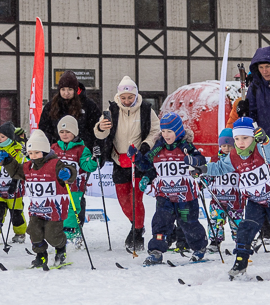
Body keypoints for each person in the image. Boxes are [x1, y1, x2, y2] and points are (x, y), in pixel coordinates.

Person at [207, 118, 270, 280]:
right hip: (254, 200)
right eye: (237, 139)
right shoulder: (233, 156)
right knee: (246, 228)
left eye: (245, 138)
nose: (241, 143)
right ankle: (241, 261)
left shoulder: (260, 149)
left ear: (253, 137)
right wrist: (203, 168)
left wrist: (264, 139)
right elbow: (220, 167)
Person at [94, 76, 160, 252]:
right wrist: (101, 128)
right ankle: (135, 223)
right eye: (123, 97)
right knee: (124, 200)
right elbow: (100, 134)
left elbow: (155, 130)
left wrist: (146, 145)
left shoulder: (146, 109)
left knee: (136, 199)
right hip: (118, 159)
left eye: (130, 97)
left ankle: (137, 231)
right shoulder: (112, 109)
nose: (126, 100)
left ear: (135, 94)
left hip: (139, 160)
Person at [136, 113, 209, 265]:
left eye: (169, 131)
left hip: (185, 196)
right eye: (163, 131)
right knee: (160, 222)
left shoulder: (185, 146)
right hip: (165, 196)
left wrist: (193, 161)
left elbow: (201, 161)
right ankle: (156, 251)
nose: (166, 135)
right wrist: (138, 161)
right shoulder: (158, 147)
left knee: (188, 222)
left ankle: (199, 248)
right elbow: (147, 166)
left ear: (178, 131)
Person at [2, 129, 75, 268]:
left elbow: (70, 170)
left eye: (36, 152)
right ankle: (41, 256)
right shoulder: (28, 166)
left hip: (54, 208)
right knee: (34, 232)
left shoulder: (55, 164)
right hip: (36, 208)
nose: (33, 156)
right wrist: (8, 161)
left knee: (52, 235)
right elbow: (17, 171)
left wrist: (68, 173)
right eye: (30, 153)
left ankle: (60, 249)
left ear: (45, 151)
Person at [52, 115, 98, 246]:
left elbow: (87, 166)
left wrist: (94, 159)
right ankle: (68, 234)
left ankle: (70, 236)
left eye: (68, 132)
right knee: (58, 211)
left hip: (75, 188)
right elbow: (44, 163)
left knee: (72, 211)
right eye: (62, 132)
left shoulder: (81, 149)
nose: (64, 135)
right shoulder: (54, 148)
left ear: (75, 133)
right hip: (57, 188)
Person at [38, 70, 101, 146]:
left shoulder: (88, 105)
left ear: (75, 90)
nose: (66, 93)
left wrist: (89, 144)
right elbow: (44, 128)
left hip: (82, 150)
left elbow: (96, 128)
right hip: (56, 150)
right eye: (63, 89)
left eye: (70, 89)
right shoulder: (51, 106)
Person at [205, 128, 241, 253]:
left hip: (235, 199)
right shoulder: (215, 159)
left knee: (237, 222)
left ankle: (240, 241)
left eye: (230, 146)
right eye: (224, 145)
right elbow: (208, 175)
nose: (227, 148)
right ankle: (215, 241)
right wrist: (203, 181)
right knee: (216, 221)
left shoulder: (239, 159)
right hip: (217, 199)